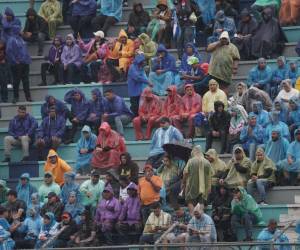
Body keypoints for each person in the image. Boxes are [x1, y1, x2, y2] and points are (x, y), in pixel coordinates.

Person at [2, 8, 32, 103]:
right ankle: (16, 97)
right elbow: (9, 52)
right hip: (17, 64)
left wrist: (27, 59)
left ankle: (28, 97)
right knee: (16, 81)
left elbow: (25, 50)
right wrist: (15, 61)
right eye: (18, 29)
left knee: (26, 81)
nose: (20, 30)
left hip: (25, 63)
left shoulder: (21, 39)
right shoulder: (11, 40)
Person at [182, 146, 212, 212]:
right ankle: (200, 217)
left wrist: (183, 183)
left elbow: (185, 173)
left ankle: (193, 218)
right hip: (204, 186)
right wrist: (209, 187)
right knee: (201, 202)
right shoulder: (207, 162)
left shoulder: (191, 161)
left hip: (192, 185)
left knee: (190, 201)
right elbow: (211, 174)